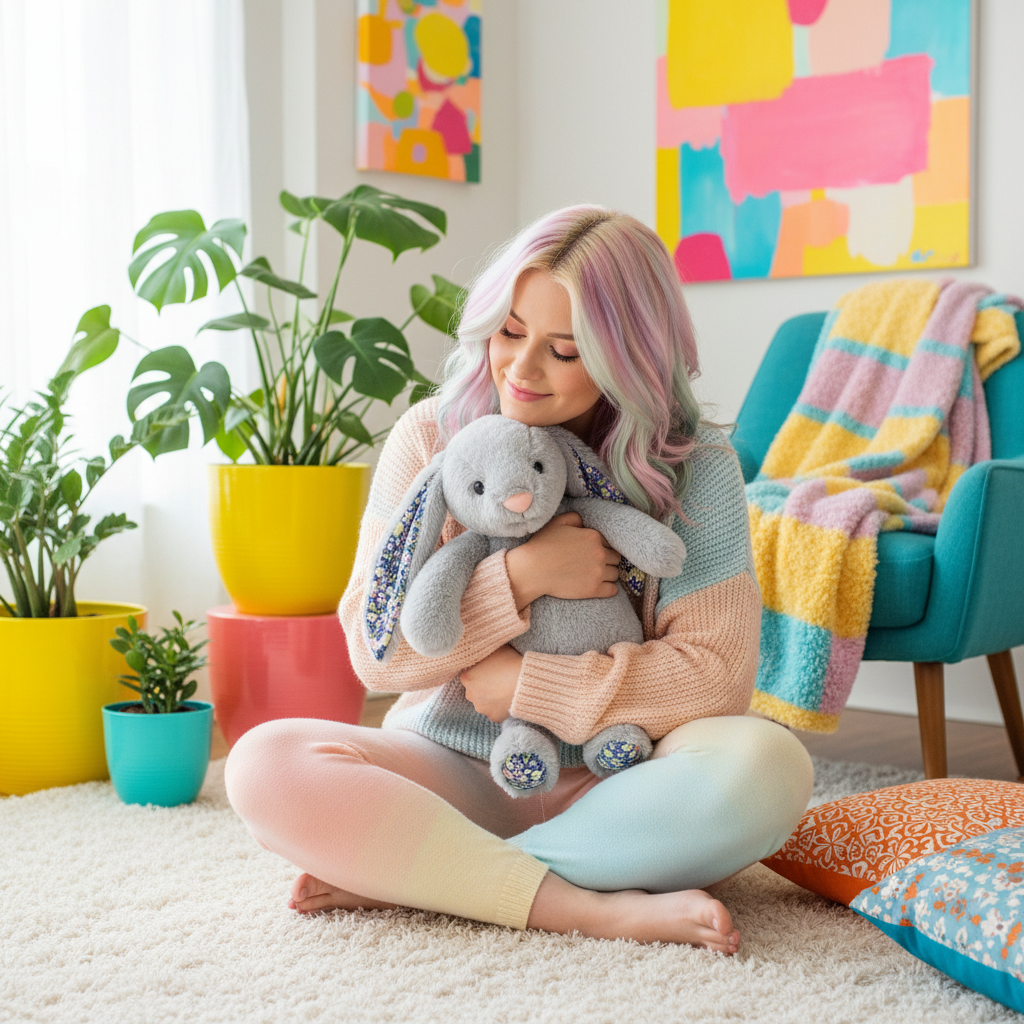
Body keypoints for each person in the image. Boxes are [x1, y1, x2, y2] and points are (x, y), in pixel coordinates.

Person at [224, 206, 813, 954]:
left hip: (620, 778)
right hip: (450, 769)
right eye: (509, 332)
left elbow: (715, 679)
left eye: (563, 351)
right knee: (264, 763)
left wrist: (529, 689)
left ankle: (438, 876)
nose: (521, 370)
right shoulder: (432, 435)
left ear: (627, 358)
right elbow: (377, 655)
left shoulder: (695, 466)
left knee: (770, 765)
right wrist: (517, 579)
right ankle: (585, 905)